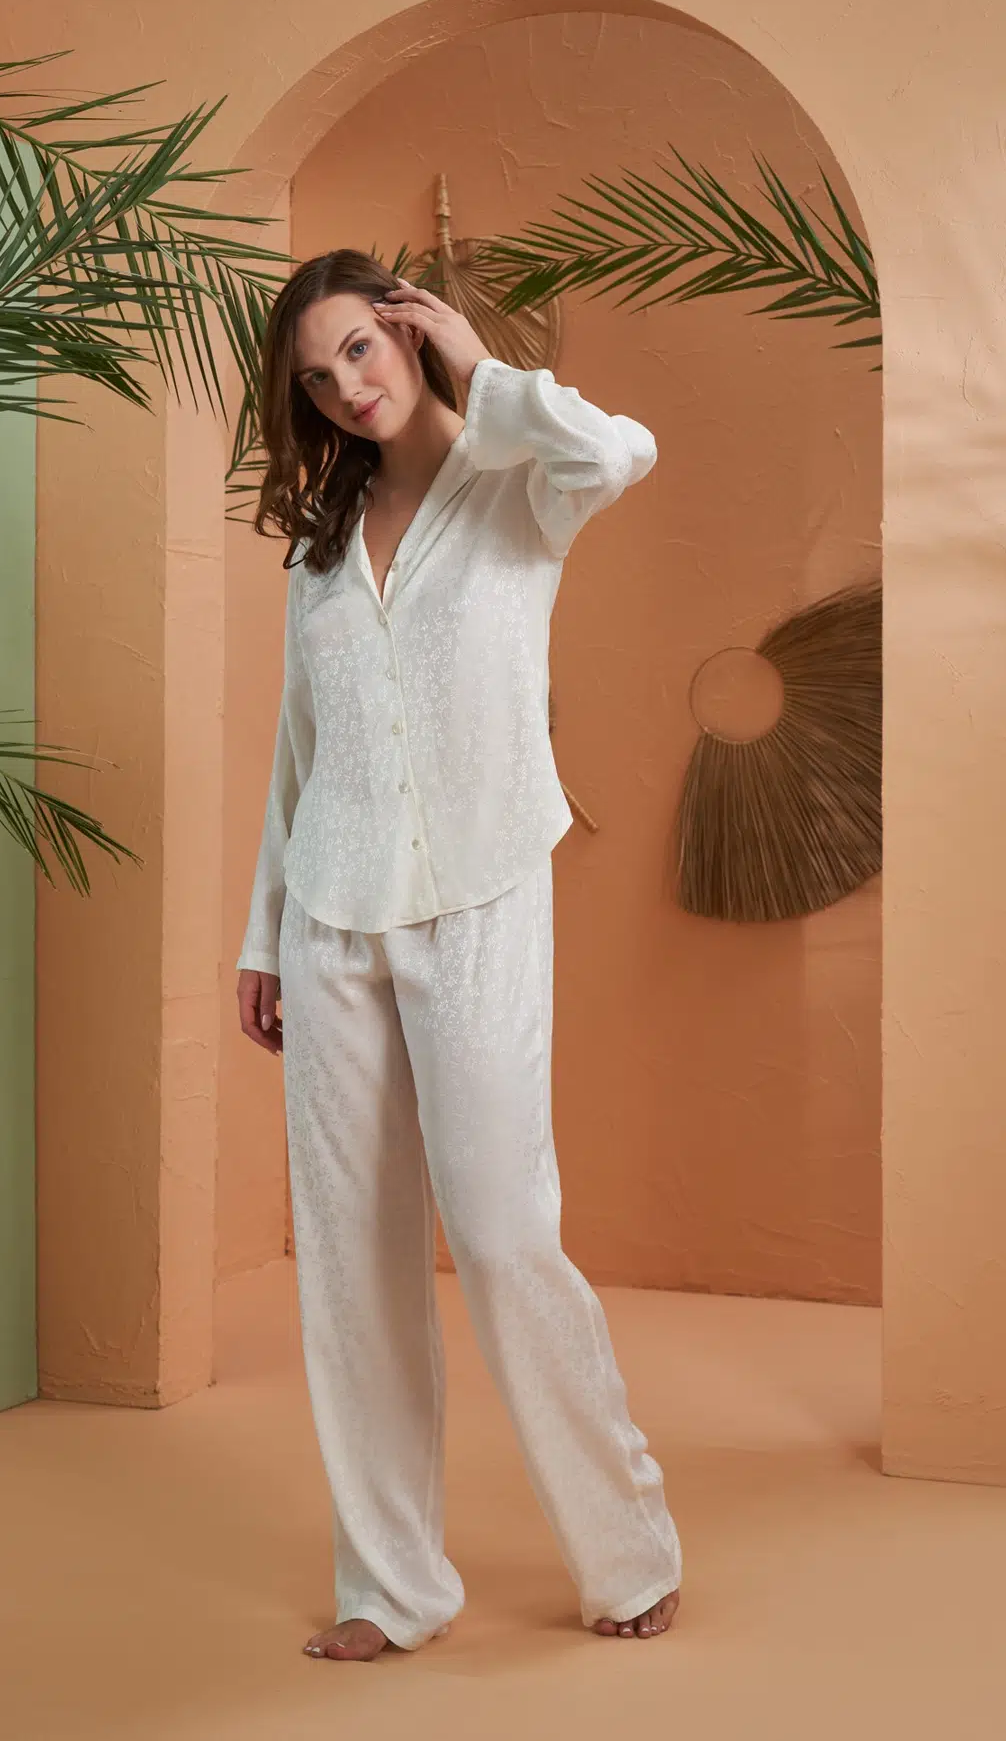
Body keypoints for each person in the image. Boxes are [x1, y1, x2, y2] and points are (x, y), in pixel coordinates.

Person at [236, 249, 682, 1663]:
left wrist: (482, 368)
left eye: (361, 350)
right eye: (318, 376)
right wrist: (262, 937)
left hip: (480, 899)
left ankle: (627, 1548)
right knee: (350, 1266)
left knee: (499, 1232)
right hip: (330, 918)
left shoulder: (519, 482)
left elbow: (622, 450)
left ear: (409, 332)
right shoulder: (318, 549)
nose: (345, 389)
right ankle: (391, 1586)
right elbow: (300, 752)